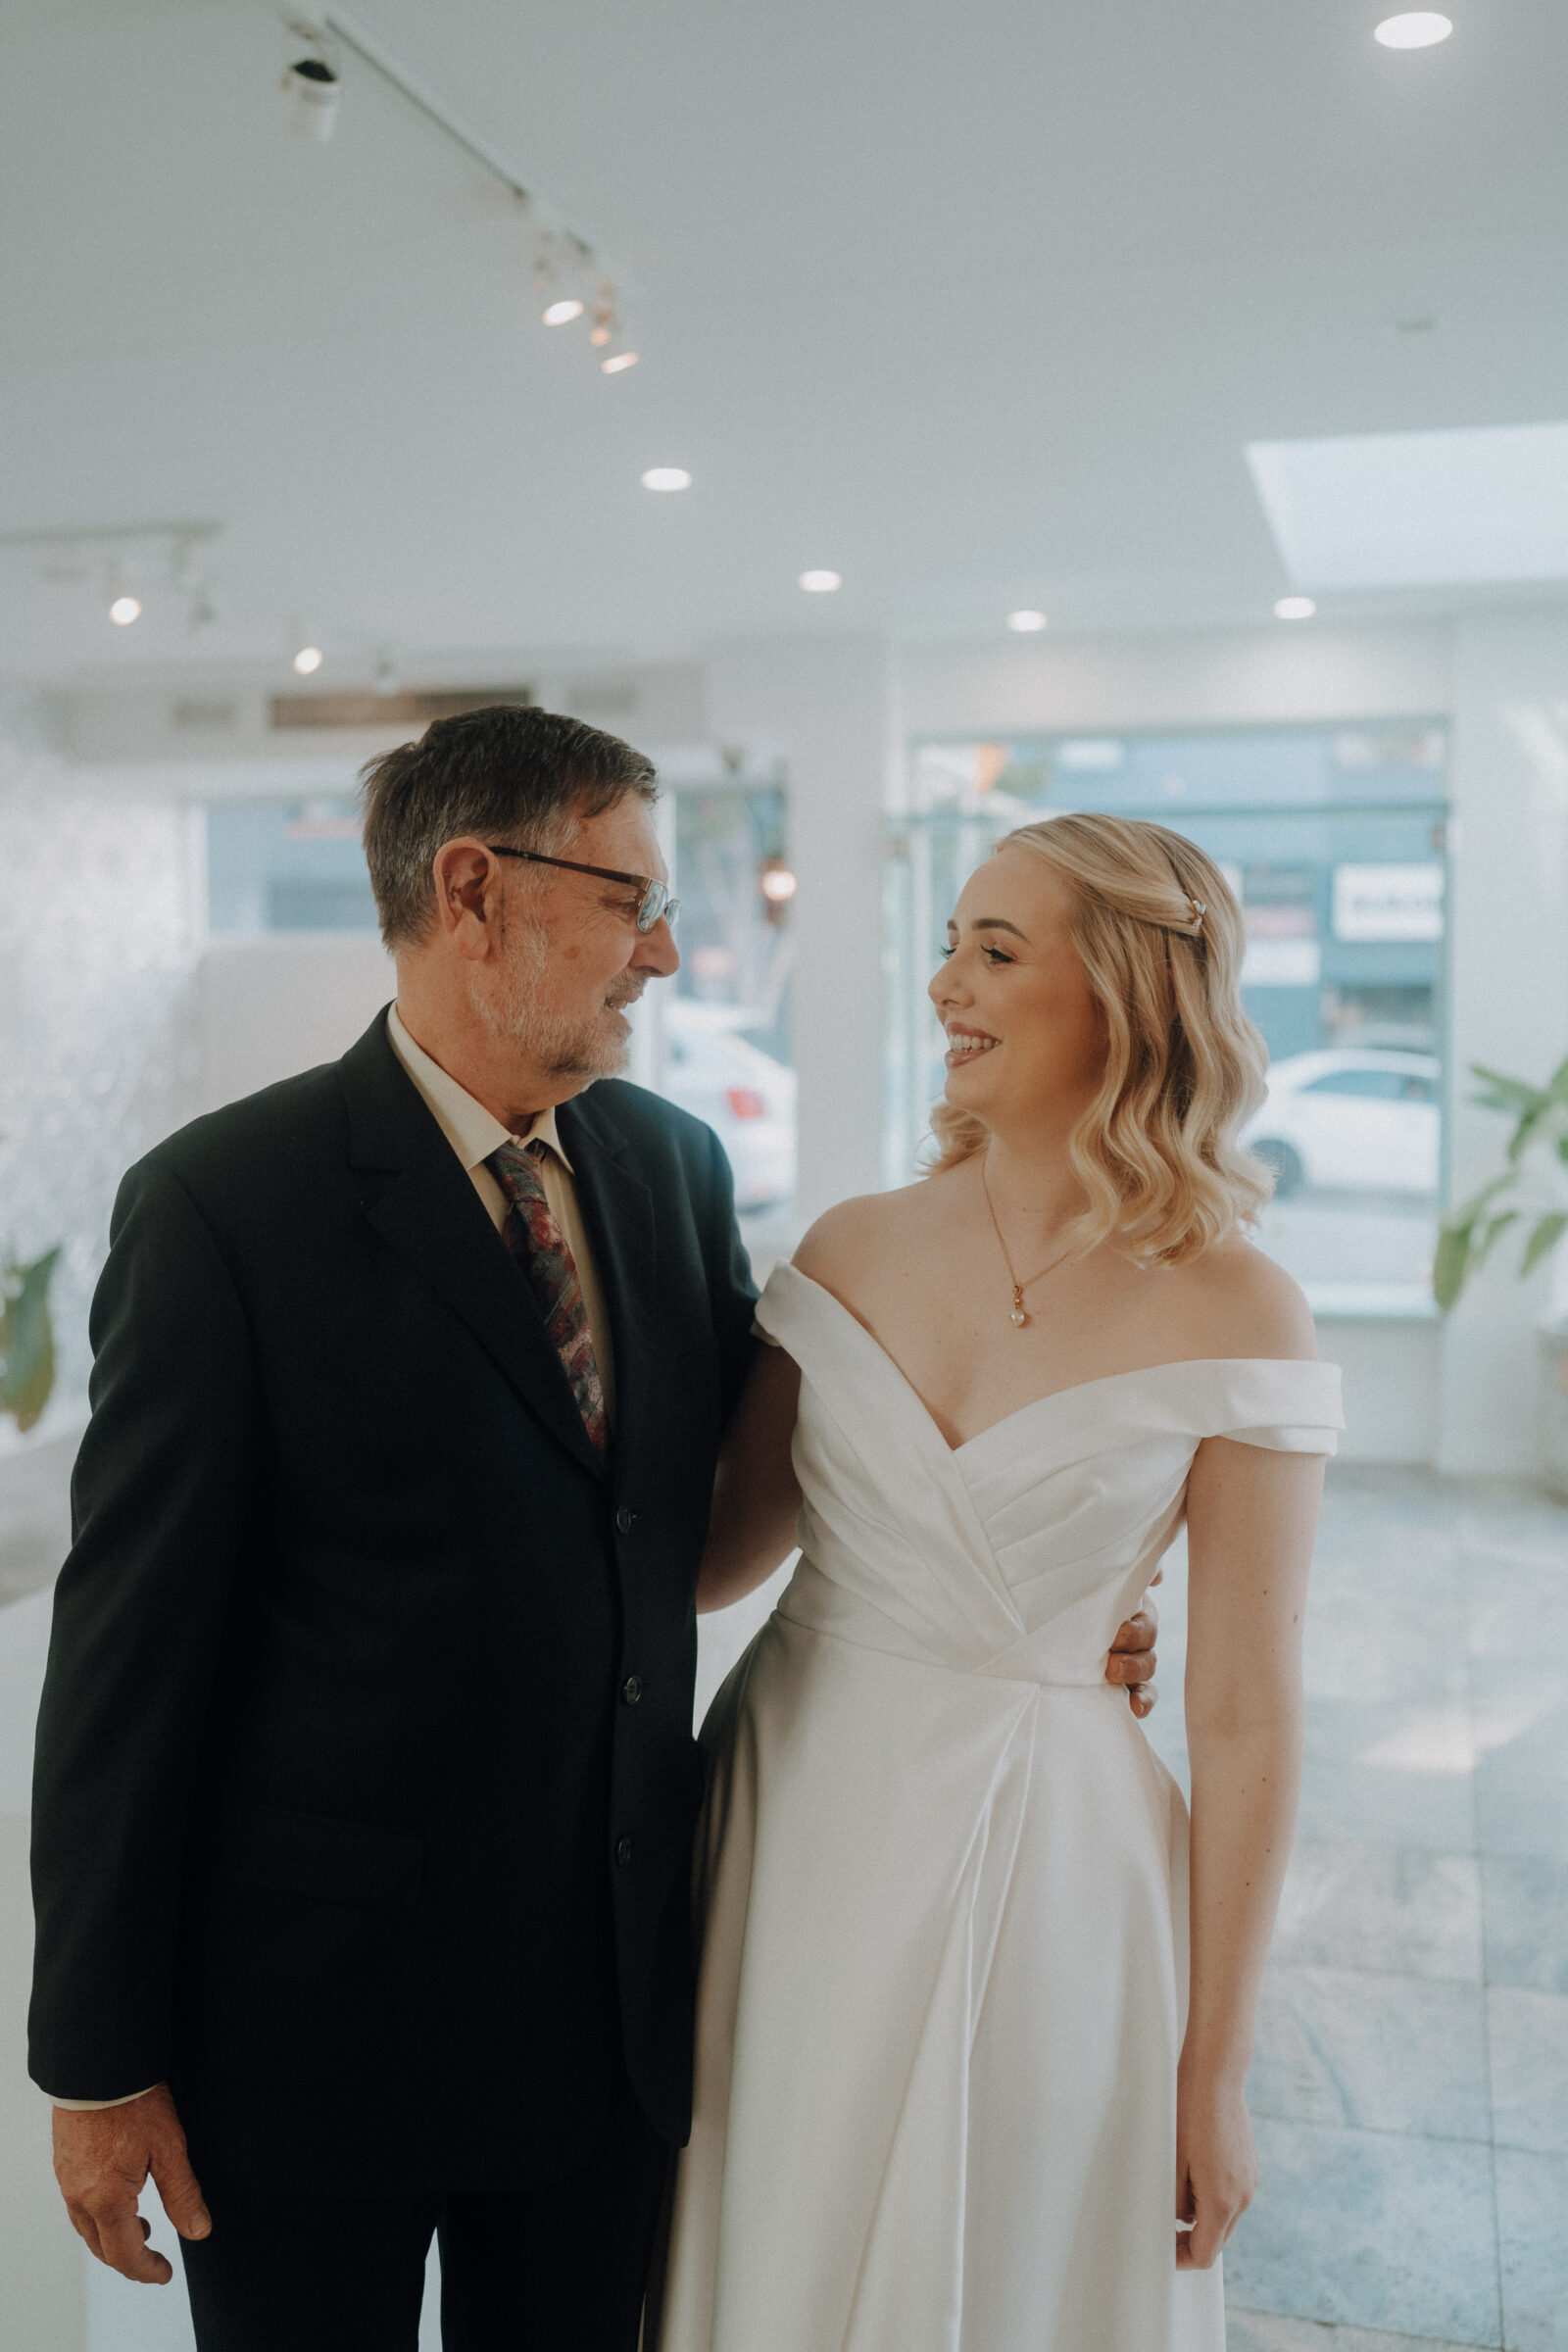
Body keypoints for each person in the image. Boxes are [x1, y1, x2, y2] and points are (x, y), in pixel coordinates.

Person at [28, 708, 1158, 2351]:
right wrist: (97, 2061)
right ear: (474, 888)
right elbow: (126, 1661)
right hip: (309, 2037)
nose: (670, 952)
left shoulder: (669, 1167)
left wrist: (1035, 1601)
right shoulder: (223, 1206)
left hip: (610, 2018)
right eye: (632, 899)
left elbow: (755, 1487)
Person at [655, 815, 1342, 2352]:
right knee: (771, 2213)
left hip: (1058, 1868)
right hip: (795, 1821)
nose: (945, 983)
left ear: (1129, 997)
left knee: (1009, 2255)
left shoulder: (1244, 1306)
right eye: (953, 941)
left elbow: (1243, 1717)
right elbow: (711, 1559)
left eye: (997, 950)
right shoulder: (850, 1247)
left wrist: (1214, 2071)